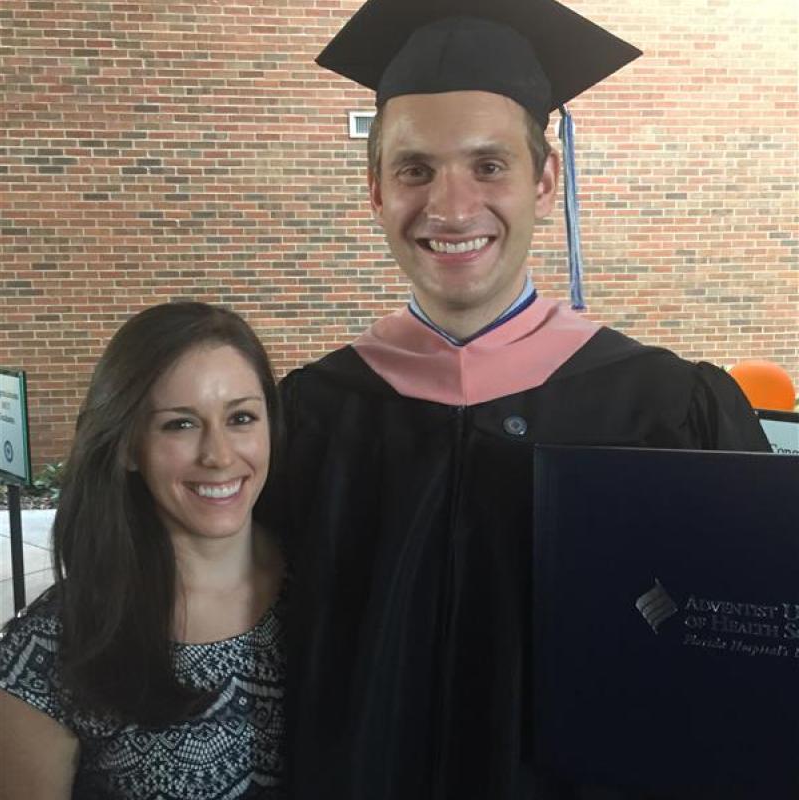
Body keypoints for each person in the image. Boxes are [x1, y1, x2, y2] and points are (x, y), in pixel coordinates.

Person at [268, 0, 772, 798]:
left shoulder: (670, 410)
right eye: (414, 169)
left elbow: (751, 684)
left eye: (489, 164)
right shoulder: (308, 418)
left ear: (545, 180)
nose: (452, 206)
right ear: (374, 190)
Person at [0, 303, 286, 800]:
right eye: (180, 424)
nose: (218, 455)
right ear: (129, 446)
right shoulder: (53, 650)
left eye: (241, 417)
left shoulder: (331, 592)